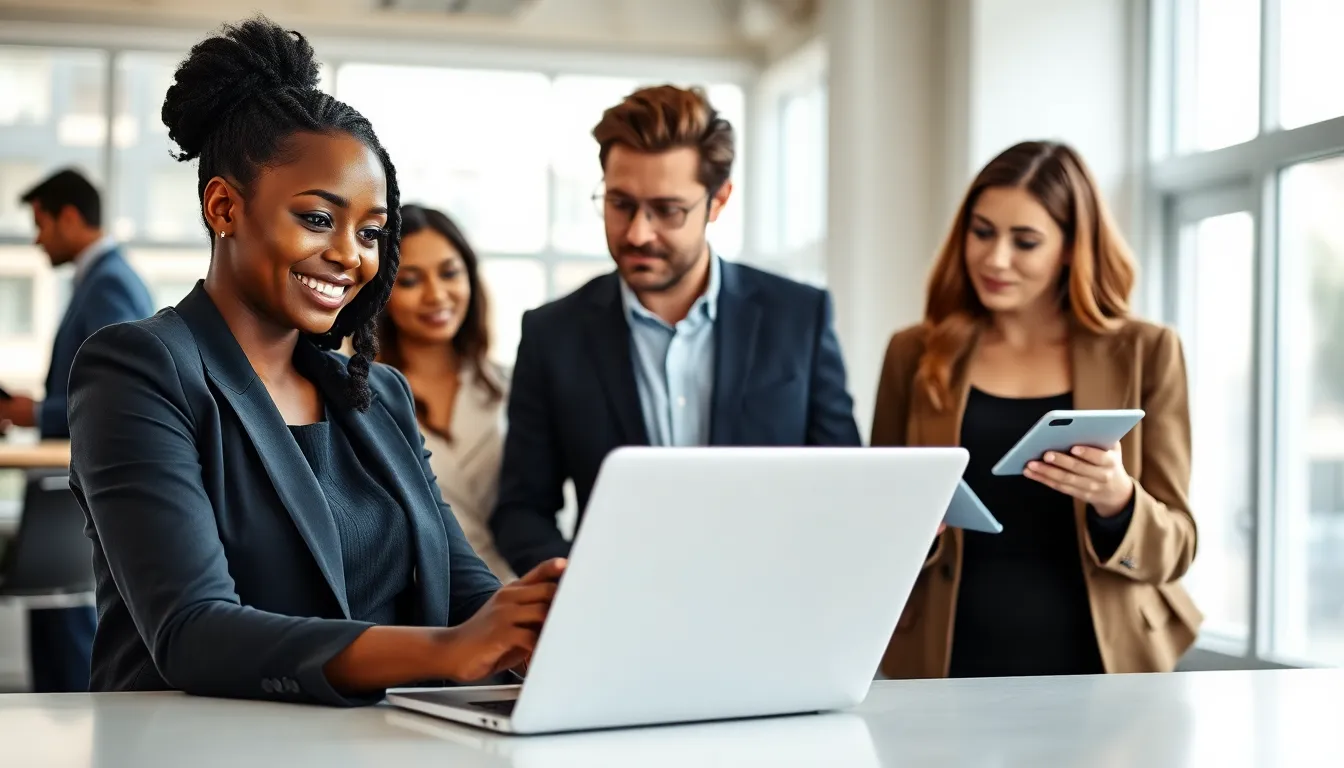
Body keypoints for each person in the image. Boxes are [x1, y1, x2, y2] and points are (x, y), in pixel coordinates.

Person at [64, 17, 563, 706]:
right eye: (318, 219)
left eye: (371, 232)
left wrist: (542, 622)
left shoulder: (375, 393)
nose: (351, 256)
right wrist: (448, 651)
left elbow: (464, 591)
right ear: (223, 207)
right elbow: (192, 631)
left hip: (386, 745)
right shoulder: (140, 370)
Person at [491, 84, 861, 576]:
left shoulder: (798, 316)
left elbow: (844, 482)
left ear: (718, 201)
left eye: (667, 210)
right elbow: (521, 510)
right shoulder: (552, 333)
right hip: (615, 614)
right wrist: (578, 583)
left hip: (776, 603)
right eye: (620, 203)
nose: (638, 233)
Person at [871, 141, 1202, 679]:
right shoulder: (914, 353)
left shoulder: (1146, 352)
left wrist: (1117, 499)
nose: (995, 258)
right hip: (944, 659)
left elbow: (1178, 547)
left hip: (1103, 665)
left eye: (1025, 241)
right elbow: (872, 514)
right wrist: (905, 527)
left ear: (1073, 247)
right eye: (982, 232)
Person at [1, 168, 154, 694]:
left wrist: (33, 414)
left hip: (81, 487)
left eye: (41, 224)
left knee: (66, 628)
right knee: (58, 628)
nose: (37, 238)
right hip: (75, 484)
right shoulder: (102, 279)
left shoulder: (108, 283)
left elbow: (113, 400)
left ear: (70, 217)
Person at [377, 204, 514, 581]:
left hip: (519, 586)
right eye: (410, 281)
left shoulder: (512, 386)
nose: (436, 295)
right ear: (381, 290)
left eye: (450, 273)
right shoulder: (360, 393)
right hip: (424, 607)